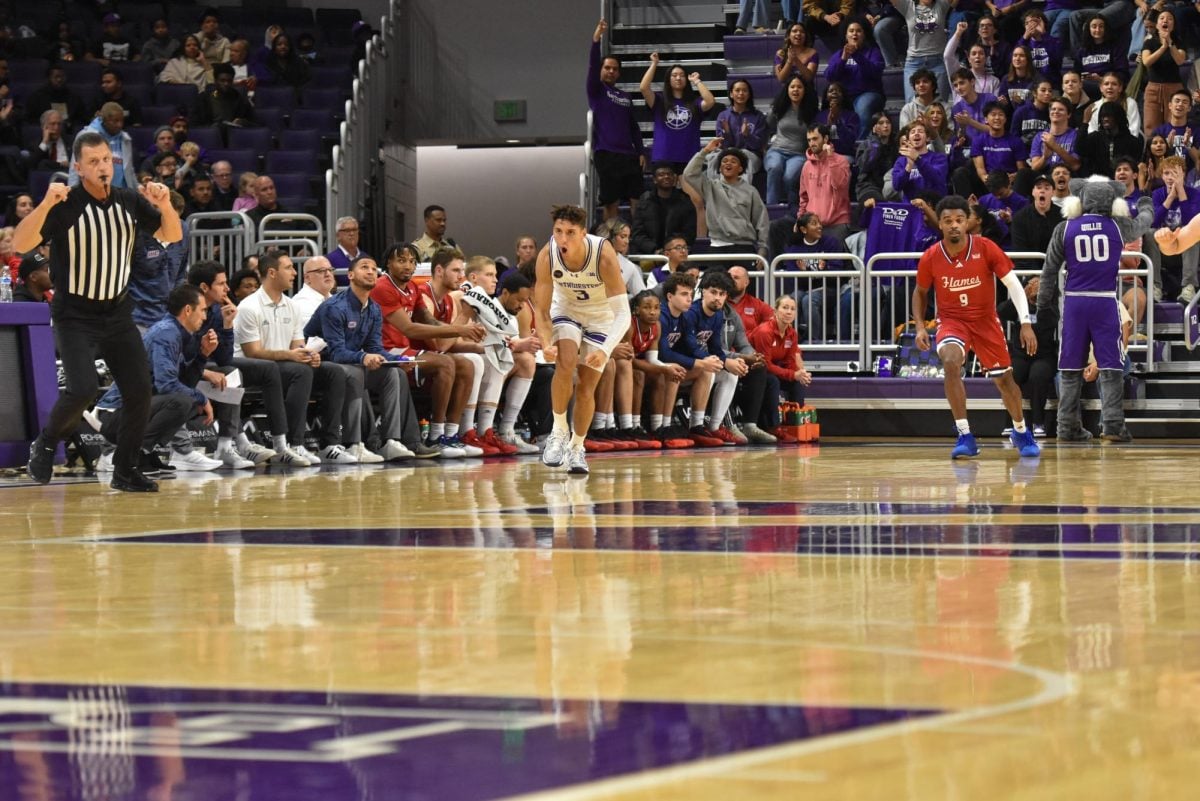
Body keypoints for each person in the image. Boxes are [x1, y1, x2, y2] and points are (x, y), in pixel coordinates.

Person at [16, 131, 182, 491]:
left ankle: (124, 471)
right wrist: (44, 204)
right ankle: (45, 442)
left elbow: (172, 235)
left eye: (106, 159)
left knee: (140, 391)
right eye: (93, 162)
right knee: (82, 389)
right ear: (78, 168)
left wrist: (165, 203)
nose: (102, 166)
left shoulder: (128, 201)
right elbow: (20, 243)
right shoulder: (65, 205)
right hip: (75, 314)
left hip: (118, 312)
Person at [910, 195, 1041, 458]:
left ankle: (1020, 430)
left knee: (1004, 380)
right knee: (949, 361)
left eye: (959, 219)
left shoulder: (986, 247)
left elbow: (1013, 285)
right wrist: (921, 326)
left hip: (985, 321)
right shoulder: (931, 257)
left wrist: (1025, 322)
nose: (954, 225)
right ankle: (965, 435)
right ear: (941, 225)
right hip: (952, 321)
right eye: (948, 221)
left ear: (968, 221)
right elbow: (920, 292)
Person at [1038, 178, 1154, 442]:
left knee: (1070, 367)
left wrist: (1043, 304)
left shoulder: (1065, 227)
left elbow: (1049, 272)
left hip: (1074, 303)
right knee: (1111, 367)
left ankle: (1067, 426)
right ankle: (1112, 426)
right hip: (1103, 302)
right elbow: (1142, 224)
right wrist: (1146, 204)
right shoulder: (1117, 224)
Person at [534, 204, 632, 475]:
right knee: (565, 361)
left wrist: (605, 349)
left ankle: (578, 447)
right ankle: (558, 431)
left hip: (601, 317)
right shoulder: (547, 255)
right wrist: (545, 342)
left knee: (587, 385)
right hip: (566, 310)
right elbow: (541, 310)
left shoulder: (603, 254)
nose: (562, 239)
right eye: (558, 231)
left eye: (570, 232)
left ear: (583, 233)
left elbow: (623, 313)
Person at [233, 251, 353, 465]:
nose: (294, 273)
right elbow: (253, 352)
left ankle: (329, 445)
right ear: (271, 272)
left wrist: (310, 355)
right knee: (300, 371)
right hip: (252, 369)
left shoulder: (292, 305)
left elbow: (297, 346)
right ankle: (294, 443)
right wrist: (293, 356)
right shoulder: (249, 307)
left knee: (333, 371)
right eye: (288, 267)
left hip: (283, 366)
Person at [303, 255, 425, 463]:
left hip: (348, 363)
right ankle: (354, 443)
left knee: (393, 373)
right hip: (319, 365)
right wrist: (364, 357)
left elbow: (374, 348)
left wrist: (398, 359)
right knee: (355, 371)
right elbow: (335, 352)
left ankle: (391, 441)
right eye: (364, 267)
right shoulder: (334, 307)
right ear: (350, 275)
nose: (371, 271)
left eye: (374, 268)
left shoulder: (374, 309)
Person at [93, 284, 221, 477]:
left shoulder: (176, 332)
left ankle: (145, 451)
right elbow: (167, 384)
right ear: (188, 310)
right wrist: (202, 398)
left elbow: (184, 383)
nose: (205, 316)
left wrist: (203, 355)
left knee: (187, 401)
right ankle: (125, 453)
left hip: (134, 409)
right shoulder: (166, 333)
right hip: (114, 413)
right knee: (182, 401)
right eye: (202, 310)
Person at [587, 20, 647, 221]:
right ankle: (610, 242)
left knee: (636, 199)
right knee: (610, 201)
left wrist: (640, 151)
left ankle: (636, 237)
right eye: (607, 68)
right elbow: (593, 63)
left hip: (628, 154)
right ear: (601, 70)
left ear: (619, 73)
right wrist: (596, 40)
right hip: (607, 152)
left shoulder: (625, 96)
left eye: (614, 69)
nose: (611, 71)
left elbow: (633, 126)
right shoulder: (596, 90)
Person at [683, 139, 770, 263]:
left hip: (744, 247)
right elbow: (689, 174)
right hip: (717, 246)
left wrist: (762, 247)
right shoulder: (710, 186)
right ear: (720, 167)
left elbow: (762, 221)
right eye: (724, 161)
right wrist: (705, 151)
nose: (728, 164)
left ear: (740, 169)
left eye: (733, 161)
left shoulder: (751, 191)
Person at [1139, 8, 1186, 139]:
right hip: (1153, 88)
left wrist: (1170, 44)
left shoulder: (1178, 41)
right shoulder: (1149, 42)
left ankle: (1174, 158)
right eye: (1162, 18)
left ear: (1173, 25)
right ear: (1157, 24)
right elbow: (1147, 61)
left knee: (1174, 127)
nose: (1165, 20)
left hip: (1174, 88)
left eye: (1170, 18)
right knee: (1151, 127)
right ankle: (1153, 157)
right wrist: (1162, 47)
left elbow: (1180, 60)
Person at [631, 164, 696, 255]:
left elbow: (689, 233)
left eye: (669, 174)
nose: (666, 176)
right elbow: (637, 234)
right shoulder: (645, 202)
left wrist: (672, 249)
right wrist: (654, 250)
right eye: (661, 174)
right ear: (654, 180)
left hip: (677, 253)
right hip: (648, 254)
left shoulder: (684, 201)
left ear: (674, 178)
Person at [68, 102, 135, 188]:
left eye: (121, 120)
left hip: (122, 194)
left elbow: (129, 171)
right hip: (93, 193)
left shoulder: (125, 139)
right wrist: (72, 194)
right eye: (115, 121)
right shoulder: (86, 136)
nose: (119, 125)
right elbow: (75, 170)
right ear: (104, 120)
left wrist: (137, 189)